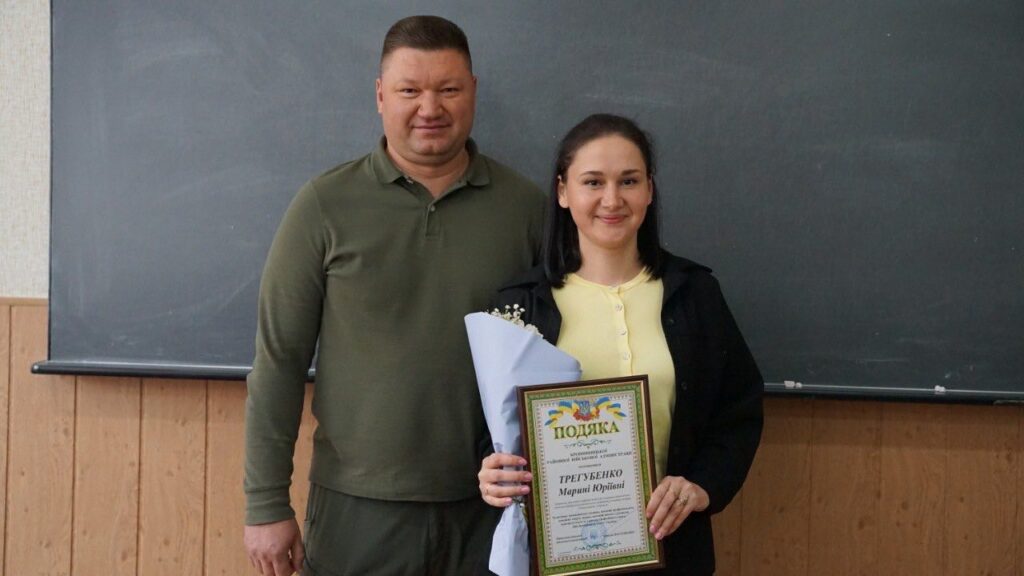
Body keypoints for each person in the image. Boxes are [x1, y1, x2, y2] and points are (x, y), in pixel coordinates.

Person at [244, 16, 546, 576]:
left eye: (448, 89)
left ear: (473, 92)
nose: (430, 108)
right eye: (410, 91)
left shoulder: (527, 209)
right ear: (381, 95)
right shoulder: (323, 206)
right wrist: (265, 503)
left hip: (492, 505)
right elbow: (279, 360)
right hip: (357, 508)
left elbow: (563, 352)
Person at [477, 114, 763, 575]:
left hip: (672, 550)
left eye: (628, 181)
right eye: (593, 182)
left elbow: (738, 411)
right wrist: (491, 471)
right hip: (556, 558)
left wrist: (701, 486)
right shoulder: (520, 305)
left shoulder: (695, 294)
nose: (612, 200)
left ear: (649, 190)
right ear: (563, 192)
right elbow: (486, 428)